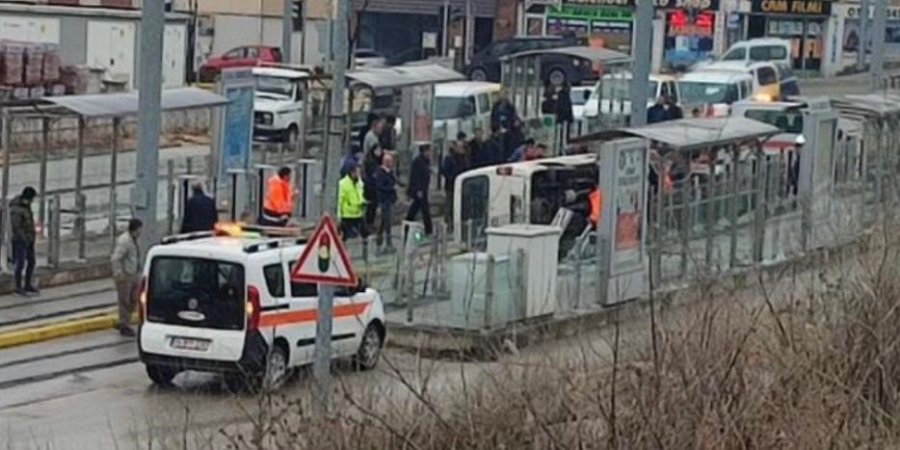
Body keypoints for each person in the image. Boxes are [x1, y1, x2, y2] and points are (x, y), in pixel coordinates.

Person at [111, 218, 142, 337]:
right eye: (140, 229)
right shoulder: (125, 241)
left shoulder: (133, 240)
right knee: (125, 301)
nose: (141, 232)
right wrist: (119, 274)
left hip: (133, 274)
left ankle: (124, 321)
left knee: (133, 298)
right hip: (126, 276)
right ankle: (124, 324)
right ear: (136, 229)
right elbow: (116, 258)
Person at [9, 187, 37, 296]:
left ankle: (27, 284)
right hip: (20, 240)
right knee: (20, 264)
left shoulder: (26, 207)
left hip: (29, 239)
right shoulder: (16, 209)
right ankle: (18, 287)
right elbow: (16, 227)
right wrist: (24, 239)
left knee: (31, 261)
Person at [441, 134, 469, 226]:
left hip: (460, 185)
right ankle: (447, 223)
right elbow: (444, 170)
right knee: (449, 204)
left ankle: (456, 222)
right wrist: (451, 177)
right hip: (451, 185)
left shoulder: (464, 158)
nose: (461, 149)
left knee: (458, 204)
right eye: (459, 147)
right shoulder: (449, 158)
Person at [373, 153, 398, 253]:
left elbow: (394, 181)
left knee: (384, 222)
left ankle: (379, 241)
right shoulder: (381, 173)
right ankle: (388, 243)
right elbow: (380, 186)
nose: (392, 163)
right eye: (390, 161)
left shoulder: (390, 172)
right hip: (384, 200)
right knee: (387, 222)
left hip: (390, 200)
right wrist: (391, 188)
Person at [406, 143, 434, 236]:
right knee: (425, 210)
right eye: (428, 151)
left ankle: (407, 224)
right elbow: (415, 176)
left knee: (415, 209)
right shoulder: (417, 162)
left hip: (424, 189)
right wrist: (418, 190)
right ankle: (429, 230)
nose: (429, 153)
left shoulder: (426, 161)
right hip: (419, 190)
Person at [338, 164, 367, 240]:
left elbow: (360, 195)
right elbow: (340, 200)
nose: (359, 174)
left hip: (358, 213)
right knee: (346, 236)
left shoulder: (359, 183)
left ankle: (364, 249)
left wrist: (363, 202)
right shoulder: (343, 184)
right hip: (347, 215)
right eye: (357, 172)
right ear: (352, 173)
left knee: (365, 234)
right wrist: (339, 216)